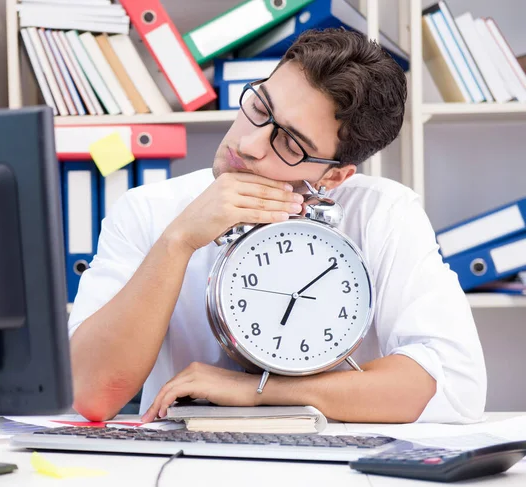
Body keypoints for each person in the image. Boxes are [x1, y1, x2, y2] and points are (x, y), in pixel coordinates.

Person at [68, 28, 486, 424]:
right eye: (259, 108)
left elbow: (456, 386)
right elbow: (92, 395)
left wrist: (259, 389)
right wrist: (178, 241)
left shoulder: (383, 214)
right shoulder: (149, 210)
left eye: (290, 144)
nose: (248, 144)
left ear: (335, 177)